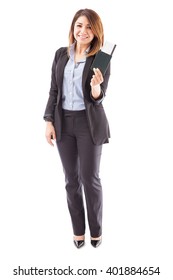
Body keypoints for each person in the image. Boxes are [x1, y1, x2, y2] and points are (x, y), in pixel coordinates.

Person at [43, 8, 111, 248]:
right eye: (79, 25)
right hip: (63, 123)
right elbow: (54, 90)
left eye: (89, 27)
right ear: (73, 27)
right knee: (71, 180)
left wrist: (95, 88)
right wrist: (49, 120)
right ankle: (78, 231)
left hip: (88, 123)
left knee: (89, 178)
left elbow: (99, 97)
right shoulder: (61, 55)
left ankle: (97, 231)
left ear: (96, 32)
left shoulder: (101, 58)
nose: (83, 31)